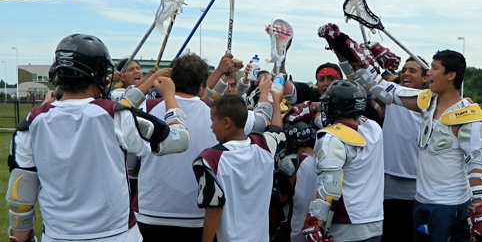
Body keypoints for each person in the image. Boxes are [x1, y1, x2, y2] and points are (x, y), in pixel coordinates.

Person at [6, 33, 188, 242]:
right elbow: (178, 141)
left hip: (58, 236)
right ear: (97, 73)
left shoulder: (32, 121)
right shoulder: (114, 115)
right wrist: (171, 100)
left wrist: (21, 238)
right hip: (117, 235)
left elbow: (21, 195)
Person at [353, 49, 482, 241]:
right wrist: (353, 54)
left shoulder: (468, 116)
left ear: (451, 76)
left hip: (449, 206)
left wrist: (480, 209)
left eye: (435, 68)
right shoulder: (427, 101)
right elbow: (386, 90)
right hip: (421, 202)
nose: (429, 73)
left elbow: (476, 165)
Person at [135, 52, 218, 241]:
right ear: (201, 86)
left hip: (151, 209)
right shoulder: (217, 117)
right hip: (196, 214)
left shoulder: (146, 108)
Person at [192, 77, 287, 242]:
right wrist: (276, 103)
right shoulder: (264, 146)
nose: (211, 127)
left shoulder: (210, 159)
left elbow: (214, 209)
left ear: (226, 122)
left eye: (213, 121)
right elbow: (277, 131)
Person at [302, 80, 384, 242]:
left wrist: (316, 220)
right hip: (373, 220)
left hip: (346, 223)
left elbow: (329, 187)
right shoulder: (374, 129)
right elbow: (351, 123)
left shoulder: (331, 138)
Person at [379, 57, 429, 241]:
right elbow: (371, 80)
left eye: (413, 70)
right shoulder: (393, 96)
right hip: (389, 182)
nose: (406, 73)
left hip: (420, 185)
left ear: (426, 78)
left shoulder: (432, 102)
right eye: (404, 70)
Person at [270, 120, 318, 242]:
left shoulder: (292, 163)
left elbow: (277, 200)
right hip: (320, 231)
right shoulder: (328, 161)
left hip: (295, 232)